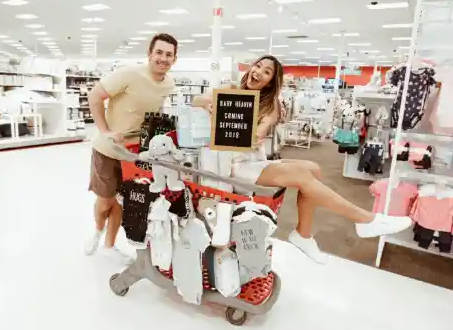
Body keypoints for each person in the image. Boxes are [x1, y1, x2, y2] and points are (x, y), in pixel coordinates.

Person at [193, 55, 412, 264]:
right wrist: (209, 104)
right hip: (233, 163)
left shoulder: (271, 105)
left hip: (254, 158)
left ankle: (303, 234)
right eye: (258, 66)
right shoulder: (231, 90)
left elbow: (259, 134)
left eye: (267, 71)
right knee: (300, 175)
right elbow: (196, 99)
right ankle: (364, 219)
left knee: (314, 169)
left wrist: (253, 133)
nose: (258, 71)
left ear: (271, 82)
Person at [84, 33, 178, 262]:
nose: (163, 58)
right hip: (108, 149)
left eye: (169, 54)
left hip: (137, 153)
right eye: (159, 52)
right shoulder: (129, 74)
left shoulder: (169, 83)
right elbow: (95, 96)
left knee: (121, 200)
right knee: (105, 199)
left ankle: (109, 245)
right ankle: (97, 231)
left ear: (174, 59)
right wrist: (105, 131)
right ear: (149, 54)